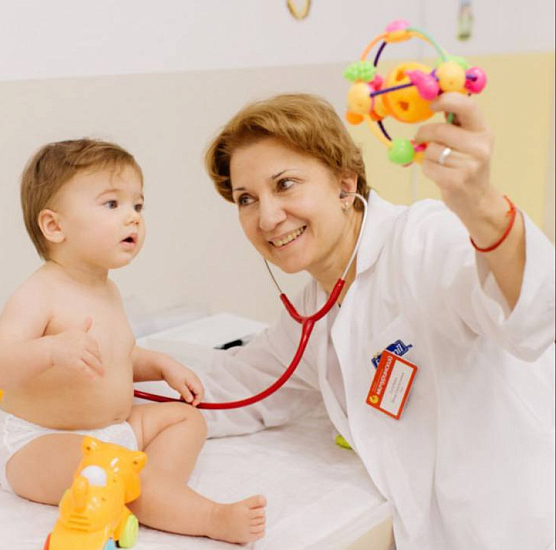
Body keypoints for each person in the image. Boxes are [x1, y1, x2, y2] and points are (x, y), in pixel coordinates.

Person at [197, 93, 554, 549]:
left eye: (285, 184)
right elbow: (229, 390)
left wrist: (481, 205)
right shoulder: (313, 313)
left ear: (345, 185)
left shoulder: (423, 238)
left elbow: (534, 317)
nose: (267, 217)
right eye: (246, 199)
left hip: (519, 527)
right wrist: (120, 380)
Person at [0, 138, 266, 544]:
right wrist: (51, 350)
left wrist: (161, 365)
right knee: (109, 469)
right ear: (55, 226)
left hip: (110, 432)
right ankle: (208, 517)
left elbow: (118, 355)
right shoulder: (39, 292)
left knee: (187, 420)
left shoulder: (107, 289)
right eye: (112, 204)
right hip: (40, 442)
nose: (132, 218)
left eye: (138, 205)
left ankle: (154, 491)